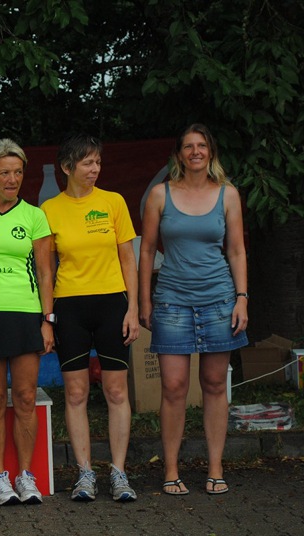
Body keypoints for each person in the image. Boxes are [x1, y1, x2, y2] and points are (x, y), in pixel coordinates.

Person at [138, 124, 248, 496]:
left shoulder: (228, 195)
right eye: (189, 146)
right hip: (172, 301)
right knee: (173, 387)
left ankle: (215, 468)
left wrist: (242, 297)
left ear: (210, 152)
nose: (196, 151)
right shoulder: (159, 195)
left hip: (220, 299)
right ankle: (171, 470)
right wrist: (144, 300)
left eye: (202, 145)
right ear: (179, 154)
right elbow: (148, 250)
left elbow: (236, 250)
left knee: (215, 385)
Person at [40, 134, 139, 502]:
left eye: (98, 162)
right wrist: (47, 317)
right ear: (67, 167)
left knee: (115, 390)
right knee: (77, 392)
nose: (95, 169)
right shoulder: (49, 209)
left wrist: (133, 308)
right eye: (87, 163)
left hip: (113, 302)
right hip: (69, 306)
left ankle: (118, 472)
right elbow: (46, 269)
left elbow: (128, 258)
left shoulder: (113, 202)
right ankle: (84, 474)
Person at [0, 139, 54, 506]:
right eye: (5, 172)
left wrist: (47, 320)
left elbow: (46, 273)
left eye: (18, 172)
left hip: (25, 313)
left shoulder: (34, 215)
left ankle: (26, 475)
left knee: (27, 397)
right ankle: (1, 479)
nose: (12, 179)